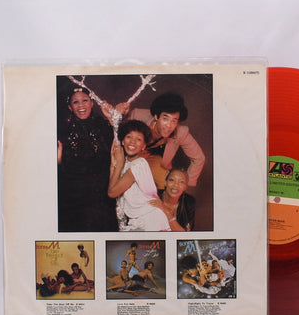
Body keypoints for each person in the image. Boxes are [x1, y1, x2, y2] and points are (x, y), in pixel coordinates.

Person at [108, 92, 205, 189]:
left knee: (167, 186)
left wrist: (186, 183)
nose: (169, 125)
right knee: (120, 183)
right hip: (128, 155)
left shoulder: (181, 132)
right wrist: (118, 114)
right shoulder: (137, 115)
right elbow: (116, 128)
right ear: (156, 116)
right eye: (165, 119)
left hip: (152, 157)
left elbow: (199, 158)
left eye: (174, 121)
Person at [57, 87, 118, 232]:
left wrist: (111, 119)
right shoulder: (62, 131)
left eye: (85, 100)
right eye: (75, 102)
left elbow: (120, 148)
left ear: (91, 103)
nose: (81, 105)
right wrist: (58, 162)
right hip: (75, 198)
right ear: (70, 107)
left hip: (102, 195)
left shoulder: (103, 125)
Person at [108, 120, 170, 231]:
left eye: (138, 139)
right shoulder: (127, 162)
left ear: (143, 146)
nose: (132, 142)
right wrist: (113, 164)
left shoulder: (138, 165)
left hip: (151, 219)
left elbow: (112, 193)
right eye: (129, 137)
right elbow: (113, 186)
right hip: (139, 219)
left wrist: (119, 164)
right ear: (122, 141)